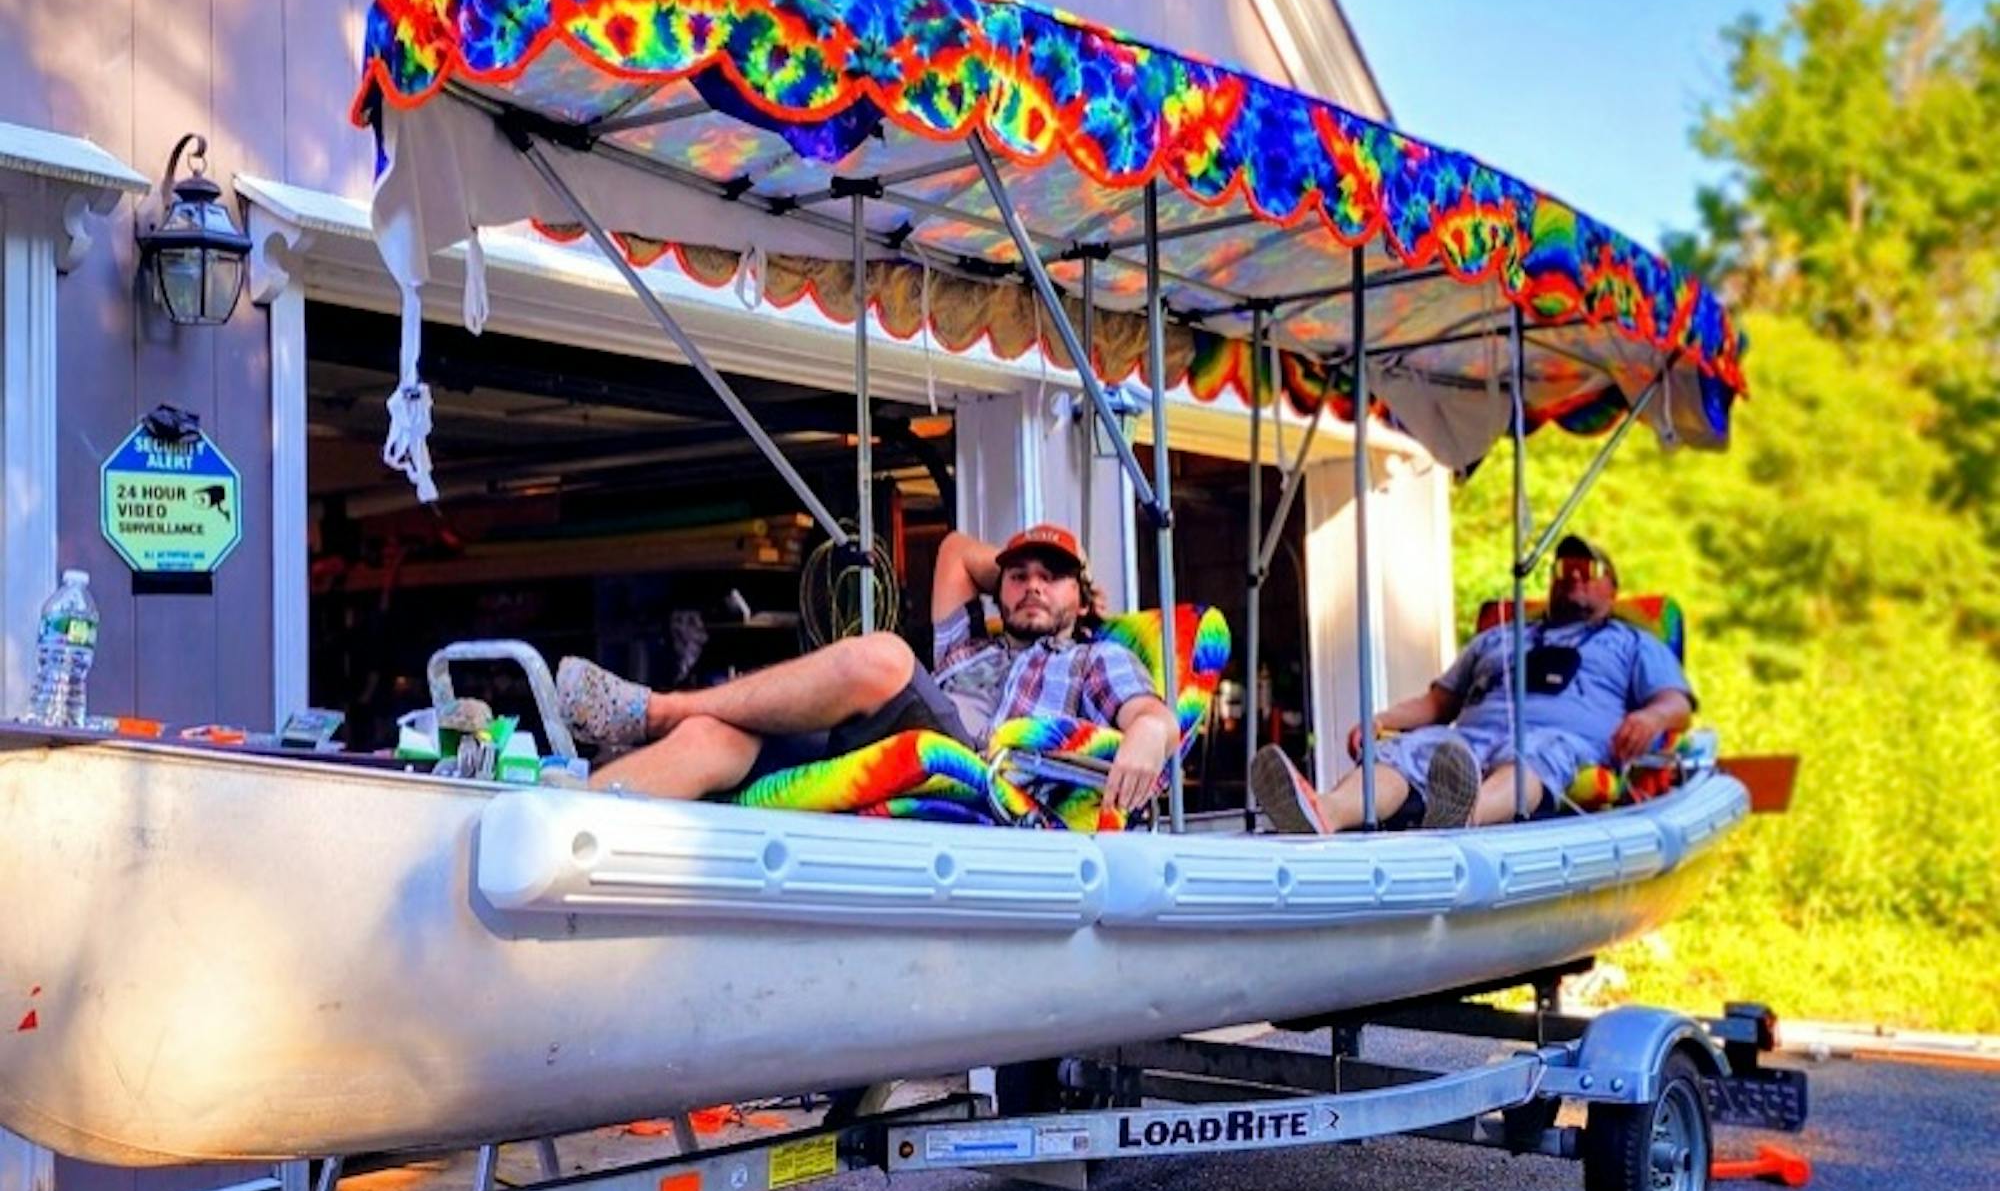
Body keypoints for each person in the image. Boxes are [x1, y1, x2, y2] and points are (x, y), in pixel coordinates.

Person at [557, 522, 1178, 814]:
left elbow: (1151, 716)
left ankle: (658, 709)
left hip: (968, 767)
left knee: (885, 656)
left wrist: (1150, 735)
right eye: (1018, 577)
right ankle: (567, 812)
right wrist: (1032, 581)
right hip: (881, 742)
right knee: (716, 737)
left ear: (1083, 596)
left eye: (1051, 577)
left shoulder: (1095, 657)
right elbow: (956, 552)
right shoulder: (970, 648)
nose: (1031, 586)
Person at [1252, 535, 1694, 833]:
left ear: (1612, 589)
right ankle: (1325, 812)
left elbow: (1675, 703)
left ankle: (1465, 817)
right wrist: (1380, 720)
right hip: (1469, 741)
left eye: (1588, 568)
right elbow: (1437, 704)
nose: (1574, 575)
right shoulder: (1500, 637)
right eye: (1565, 568)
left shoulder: (1633, 642)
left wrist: (1650, 718)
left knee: (1530, 753)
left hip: (1558, 740)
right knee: (1408, 750)